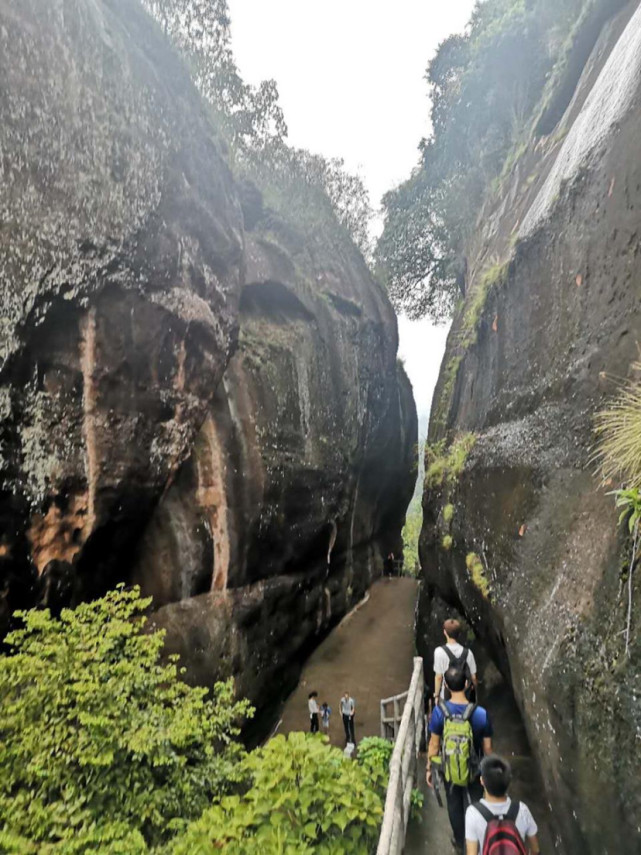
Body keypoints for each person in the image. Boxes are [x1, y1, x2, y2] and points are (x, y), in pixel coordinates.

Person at [426, 667, 493, 853]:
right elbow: (487, 749)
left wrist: (429, 768)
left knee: (454, 804)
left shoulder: (439, 713)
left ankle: (459, 842)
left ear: (446, 685)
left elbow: (434, 744)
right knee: (476, 804)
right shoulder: (480, 713)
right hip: (475, 769)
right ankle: (476, 842)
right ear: (466, 684)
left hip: (449, 769)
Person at [465, 755, 540, 854]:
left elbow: (472, 853)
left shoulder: (473, 813)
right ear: (508, 782)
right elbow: (535, 849)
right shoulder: (522, 810)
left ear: (482, 781)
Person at [434, 618, 478, 703]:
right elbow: (474, 678)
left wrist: (436, 695)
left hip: (447, 696)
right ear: (459, 634)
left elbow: (439, 677)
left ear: (445, 632)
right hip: (465, 696)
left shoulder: (439, 652)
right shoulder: (468, 653)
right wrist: (474, 692)